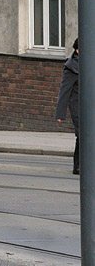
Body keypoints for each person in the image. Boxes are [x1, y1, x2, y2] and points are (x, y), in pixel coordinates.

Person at [56, 38, 80, 175]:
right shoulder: (71, 66)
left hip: (89, 105)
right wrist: (60, 114)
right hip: (77, 105)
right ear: (77, 50)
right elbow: (64, 90)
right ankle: (77, 166)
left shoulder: (89, 62)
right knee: (82, 134)